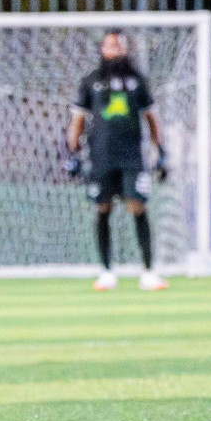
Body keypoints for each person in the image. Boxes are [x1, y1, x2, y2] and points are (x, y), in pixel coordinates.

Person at [66, 30, 168, 293]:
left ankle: (148, 271)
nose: (115, 49)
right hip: (100, 156)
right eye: (111, 45)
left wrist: (160, 150)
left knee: (137, 206)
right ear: (102, 49)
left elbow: (151, 118)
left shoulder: (137, 81)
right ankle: (106, 271)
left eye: (120, 45)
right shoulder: (91, 81)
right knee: (102, 208)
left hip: (132, 156)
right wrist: (72, 152)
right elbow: (77, 120)